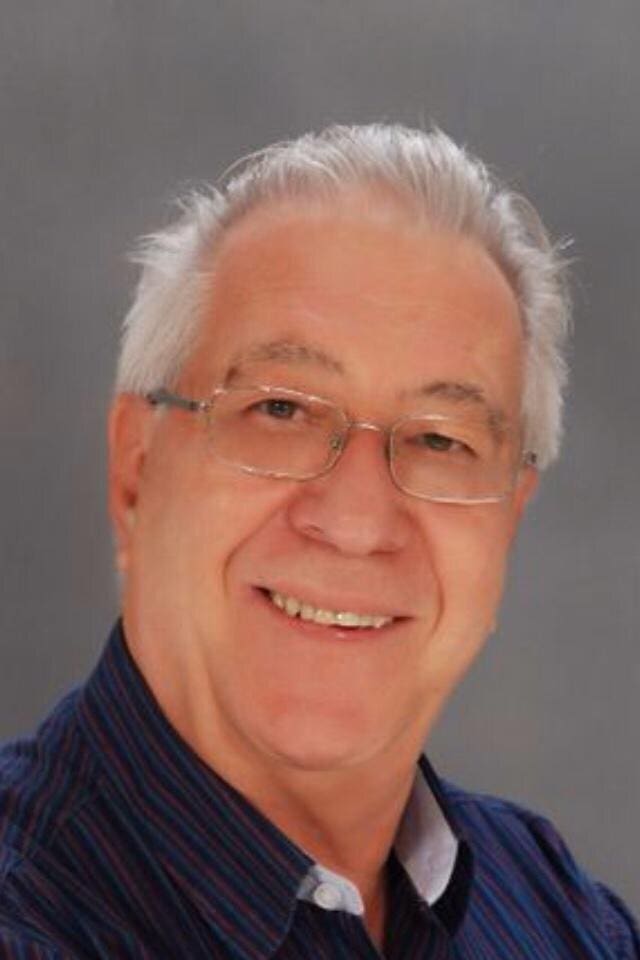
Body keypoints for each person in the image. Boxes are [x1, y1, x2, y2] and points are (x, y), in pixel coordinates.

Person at [0, 124, 637, 959]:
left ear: (509, 517)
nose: (357, 522)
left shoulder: (565, 921)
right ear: (135, 471)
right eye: (282, 410)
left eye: (442, 441)